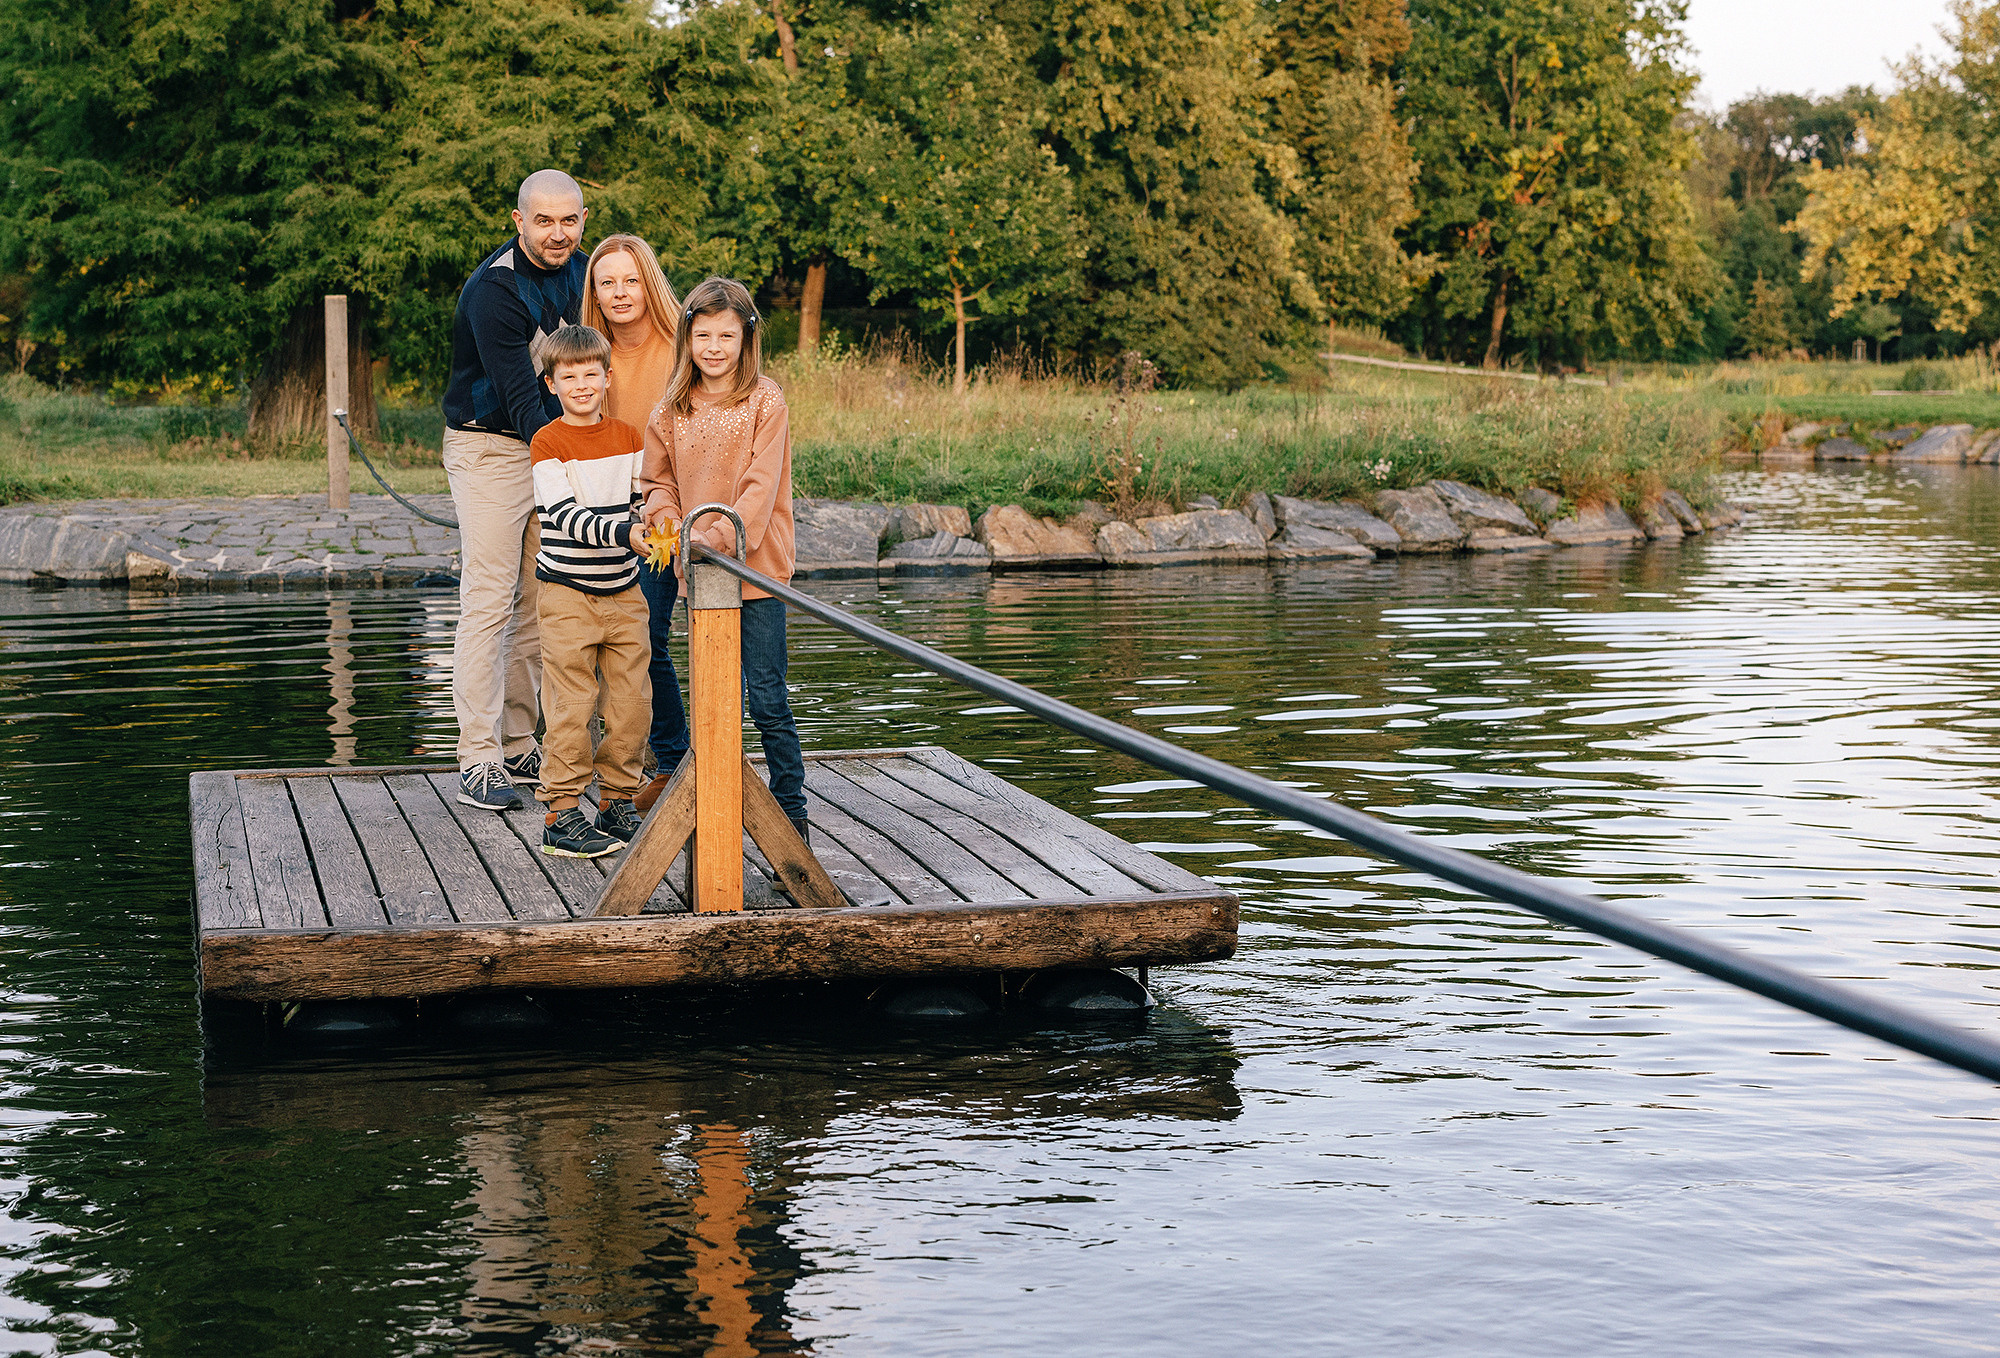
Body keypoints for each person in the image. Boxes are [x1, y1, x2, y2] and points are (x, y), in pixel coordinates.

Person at [440, 169, 589, 811]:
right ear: (518, 220)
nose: (557, 234)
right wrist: (581, 466)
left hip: (548, 444)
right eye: (544, 221)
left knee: (539, 598)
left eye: (569, 220)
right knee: (490, 597)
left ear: (582, 219)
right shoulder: (494, 291)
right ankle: (477, 757)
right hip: (491, 447)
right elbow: (522, 397)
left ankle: (520, 740)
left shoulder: (585, 271)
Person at [639, 277, 808, 841]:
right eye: (702, 334)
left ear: (746, 338)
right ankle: (715, 815)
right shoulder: (670, 409)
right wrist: (667, 522)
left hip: (753, 569)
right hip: (698, 572)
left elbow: (760, 486)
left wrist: (714, 536)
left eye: (725, 336)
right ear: (687, 337)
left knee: (766, 697)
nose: (713, 346)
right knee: (715, 700)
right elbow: (657, 481)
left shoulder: (766, 401)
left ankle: (792, 816)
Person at [527, 324, 651, 858]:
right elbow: (566, 516)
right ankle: (561, 810)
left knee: (630, 703)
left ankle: (617, 798)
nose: (581, 384)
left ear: (607, 376)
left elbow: (643, 500)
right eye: (568, 375)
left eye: (590, 374)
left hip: (625, 592)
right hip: (566, 595)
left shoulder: (629, 438)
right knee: (571, 704)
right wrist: (626, 532)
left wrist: (652, 521)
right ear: (551, 383)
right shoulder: (547, 442)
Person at [580, 235, 689, 810]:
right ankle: (639, 763)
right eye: (607, 282)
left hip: (666, 512)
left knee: (648, 635)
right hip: (605, 516)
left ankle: (675, 761)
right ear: (593, 292)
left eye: (630, 280)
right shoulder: (591, 357)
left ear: (649, 283)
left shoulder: (680, 348)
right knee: (609, 643)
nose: (620, 293)